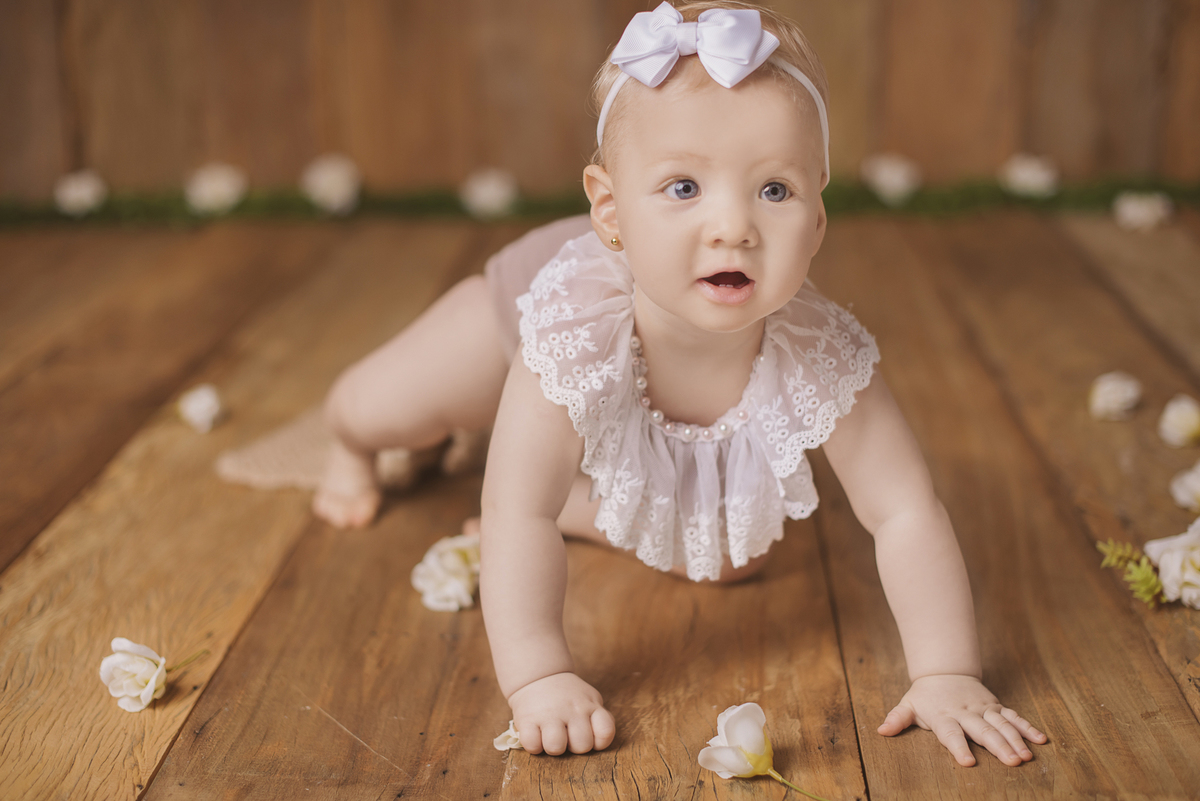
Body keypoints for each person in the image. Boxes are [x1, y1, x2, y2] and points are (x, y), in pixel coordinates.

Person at [313, 0, 1047, 767]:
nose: (733, 226)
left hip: (647, 381)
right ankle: (347, 437)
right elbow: (511, 510)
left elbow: (905, 510)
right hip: (526, 318)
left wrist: (947, 670)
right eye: (683, 188)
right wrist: (539, 676)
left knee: (731, 553)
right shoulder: (570, 327)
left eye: (774, 190)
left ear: (819, 216)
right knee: (382, 407)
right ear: (610, 210)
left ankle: (586, 502)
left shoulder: (817, 348)